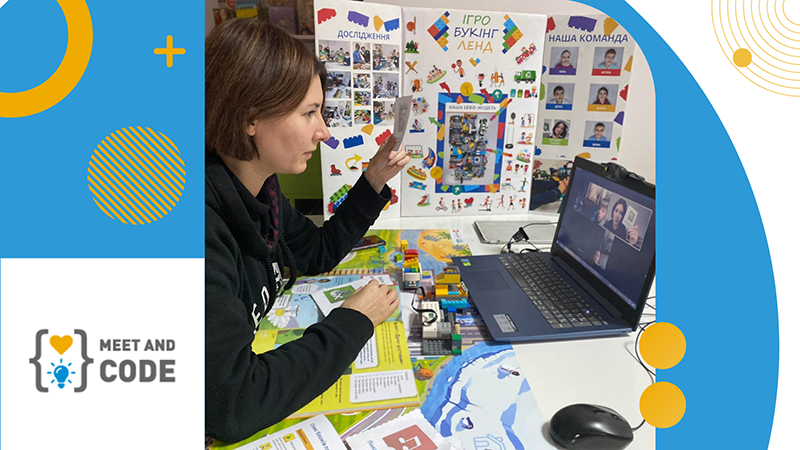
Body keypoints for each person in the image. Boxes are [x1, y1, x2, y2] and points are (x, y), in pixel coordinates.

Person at [205, 20, 410, 443]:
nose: (324, 131)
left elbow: (314, 252)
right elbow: (235, 404)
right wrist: (353, 322)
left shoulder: (260, 186)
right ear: (250, 118)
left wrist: (373, 180)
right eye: (309, 113)